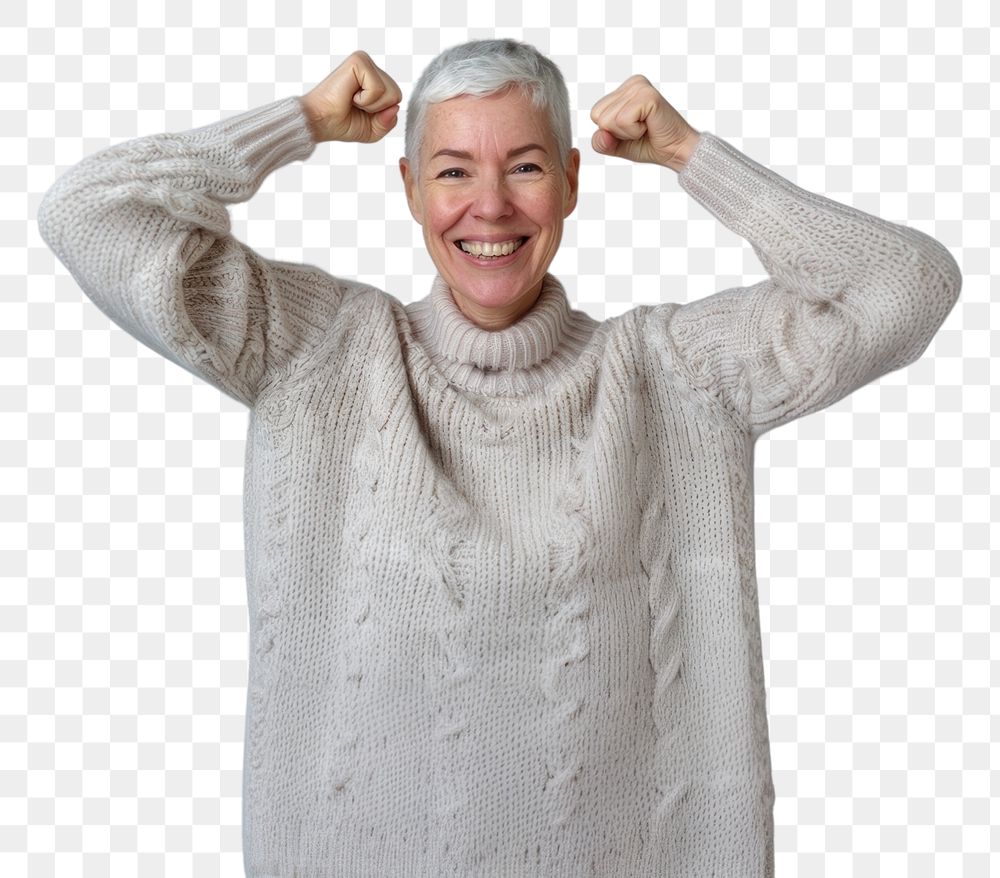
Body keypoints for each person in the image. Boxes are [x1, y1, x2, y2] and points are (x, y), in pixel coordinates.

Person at [37, 38, 961, 877]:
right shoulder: (315, 349)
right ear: (407, 188)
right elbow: (89, 214)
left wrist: (692, 154)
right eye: (452, 171)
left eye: (524, 167)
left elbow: (907, 282)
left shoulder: (676, 374)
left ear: (569, 179)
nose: (490, 207)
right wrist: (303, 123)